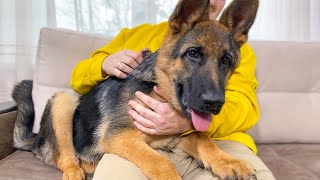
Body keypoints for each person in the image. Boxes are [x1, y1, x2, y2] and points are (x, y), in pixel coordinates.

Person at [70, 0, 276, 179]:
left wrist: (184, 124)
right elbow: (77, 80)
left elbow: (245, 108)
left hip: (219, 142)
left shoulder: (239, 49)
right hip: (140, 146)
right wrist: (103, 63)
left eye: (223, 62)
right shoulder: (136, 34)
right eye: (194, 53)